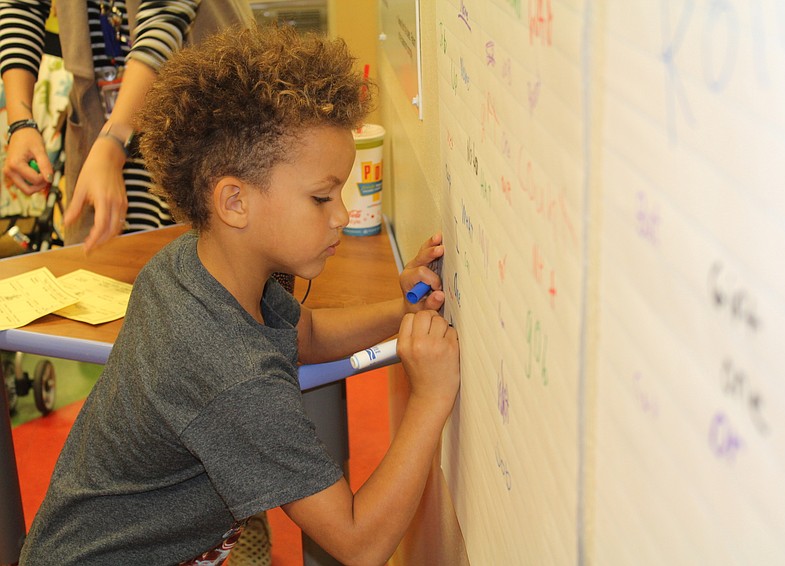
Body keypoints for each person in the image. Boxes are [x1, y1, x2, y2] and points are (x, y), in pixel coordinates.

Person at [19, 23, 461, 566]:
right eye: (322, 197)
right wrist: (431, 398)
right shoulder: (230, 373)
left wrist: (403, 311)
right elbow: (359, 542)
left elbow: (306, 335)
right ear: (234, 201)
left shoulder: (190, 267)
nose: (342, 216)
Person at [0, 0, 253, 252]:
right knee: (106, 264)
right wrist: (21, 122)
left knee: (207, 261)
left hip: (198, 115)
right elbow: (22, 5)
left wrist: (114, 142)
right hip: (98, 115)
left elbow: (164, 15)